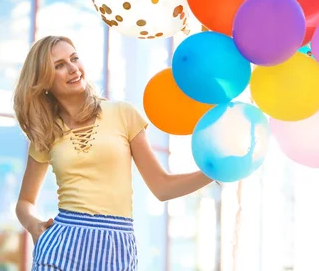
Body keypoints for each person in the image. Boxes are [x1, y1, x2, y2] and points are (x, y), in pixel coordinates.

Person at [13, 35, 213, 270]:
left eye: (74, 58)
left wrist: (212, 172)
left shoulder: (123, 114)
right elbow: (25, 202)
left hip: (115, 248)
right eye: (59, 66)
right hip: (61, 246)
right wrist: (34, 225)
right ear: (44, 81)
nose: (73, 69)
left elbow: (162, 187)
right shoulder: (46, 132)